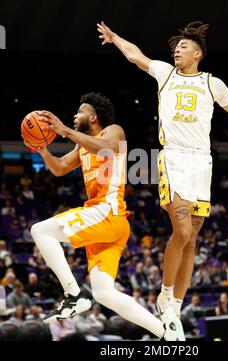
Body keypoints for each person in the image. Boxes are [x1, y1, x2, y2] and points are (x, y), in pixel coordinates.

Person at [97, 20, 228, 340]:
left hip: (202, 161)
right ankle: (164, 292)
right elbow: (135, 55)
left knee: (194, 236)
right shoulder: (165, 73)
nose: (176, 50)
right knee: (182, 228)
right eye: (175, 47)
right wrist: (116, 38)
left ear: (198, 53)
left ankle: (174, 302)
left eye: (183, 46)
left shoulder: (213, 84)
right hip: (174, 157)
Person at [24, 92, 178, 340]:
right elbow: (60, 167)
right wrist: (43, 150)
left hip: (107, 212)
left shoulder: (113, 132)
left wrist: (64, 130)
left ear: (93, 116)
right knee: (104, 293)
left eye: (79, 111)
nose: (75, 116)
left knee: (40, 230)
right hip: (107, 222)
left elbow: (105, 148)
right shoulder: (82, 145)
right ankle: (165, 334)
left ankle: (73, 295)